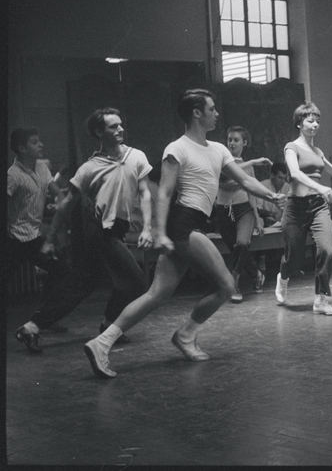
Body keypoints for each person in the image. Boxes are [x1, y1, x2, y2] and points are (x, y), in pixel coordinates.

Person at [83, 89, 286, 379]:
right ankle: (187, 334)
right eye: (212, 109)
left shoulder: (218, 150)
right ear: (196, 113)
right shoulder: (176, 148)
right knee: (227, 285)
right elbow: (164, 193)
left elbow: (243, 180)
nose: (217, 113)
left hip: (195, 224)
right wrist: (161, 232)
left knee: (156, 294)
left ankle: (101, 343)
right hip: (183, 224)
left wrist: (271, 195)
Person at [34, 108, 153, 346]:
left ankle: (32, 326)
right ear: (99, 132)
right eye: (112, 126)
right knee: (137, 282)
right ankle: (109, 327)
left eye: (120, 125)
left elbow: (145, 193)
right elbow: (67, 204)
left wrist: (148, 228)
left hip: (117, 230)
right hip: (100, 231)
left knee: (84, 283)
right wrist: (50, 239)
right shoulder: (89, 168)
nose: (120, 129)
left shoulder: (136, 156)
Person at [274, 102, 332, 315]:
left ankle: (321, 300)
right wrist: (320, 186)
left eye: (317, 121)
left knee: (326, 250)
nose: (315, 124)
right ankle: (283, 278)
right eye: (310, 120)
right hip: (296, 208)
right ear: (299, 123)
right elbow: (295, 173)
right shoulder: (291, 147)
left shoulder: (317, 151)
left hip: (318, 207)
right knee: (293, 257)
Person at [7, 128, 90, 352]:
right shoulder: (12, 176)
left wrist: (60, 203)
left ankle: (43, 319)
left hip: (33, 237)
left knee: (62, 272)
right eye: (35, 142)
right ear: (22, 148)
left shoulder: (42, 168)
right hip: (12, 241)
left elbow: (57, 192)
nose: (41, 145)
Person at [215, 125, 271, 301]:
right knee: (235, 249)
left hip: (243, 210)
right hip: (224, 211)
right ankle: (256, 273)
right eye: (229, 139)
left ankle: (234, 281)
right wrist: (253, 162)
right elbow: (226, 179)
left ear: (244, 143)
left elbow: (251, 193)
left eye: (236, 140)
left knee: (242, 243)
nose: (231, 143)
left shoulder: (248, 168)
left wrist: (258, 218)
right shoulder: (221, 162)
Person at [257, 161, 291, 227]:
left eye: (285, 178)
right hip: (264, 221)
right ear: (272, 175)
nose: (283, 181)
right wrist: (272, 214)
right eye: (280, 178)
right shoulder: (262, 186)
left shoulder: (288, 187)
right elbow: (257, 209)